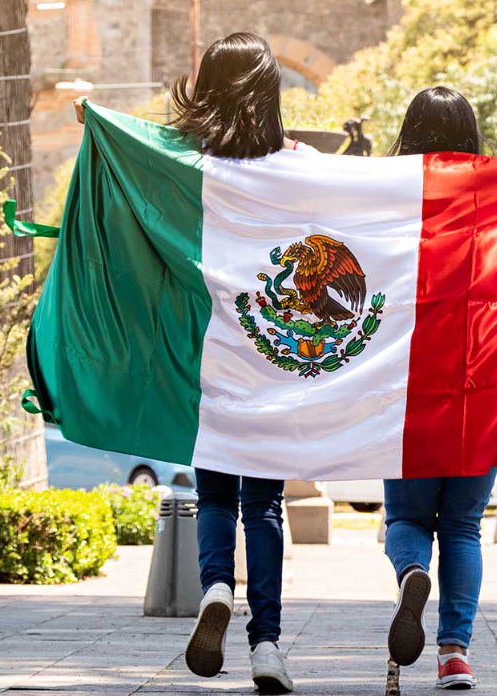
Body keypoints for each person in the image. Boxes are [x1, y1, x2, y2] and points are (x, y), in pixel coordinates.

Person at [73, 32, 315, 694]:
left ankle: (215, 587)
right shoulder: (298, 165)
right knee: (263, 504)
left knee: (215, 493)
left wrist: (97, 123)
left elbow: (132, 160)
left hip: (205, 358)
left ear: (205, 86)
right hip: (270, 355)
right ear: (269, 91)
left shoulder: (184, 162)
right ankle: (266, 644)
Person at [383, 86, 497, 691]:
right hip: (481, 387)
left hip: (408, 387)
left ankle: (411, 573)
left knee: (406, 515)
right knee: (462, 525)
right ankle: (455, 654)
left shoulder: (385, 197)